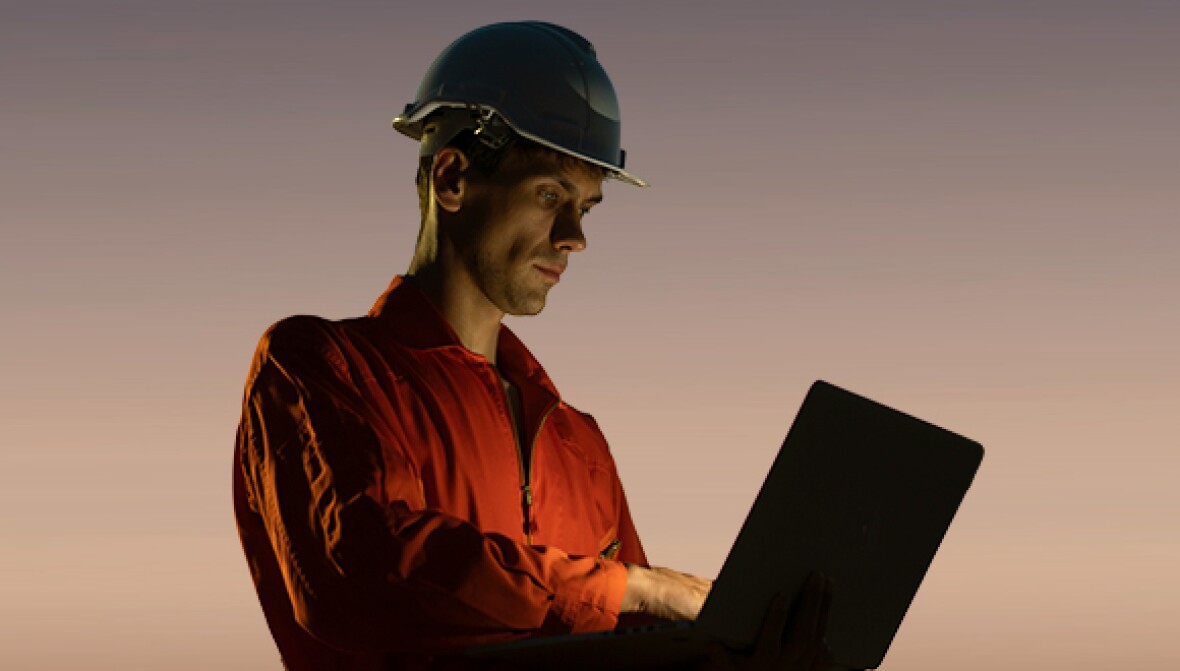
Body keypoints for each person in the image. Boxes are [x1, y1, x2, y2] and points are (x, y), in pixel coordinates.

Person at [233, 21, 834, 670]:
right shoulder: (318, 365)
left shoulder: (581, 445)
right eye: (550, 194)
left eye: (587, 206)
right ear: (454, 177)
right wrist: (633, 585)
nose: (575, 235)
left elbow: (636, 646)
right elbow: (363, 572)